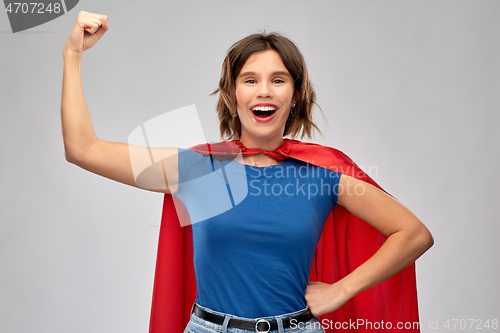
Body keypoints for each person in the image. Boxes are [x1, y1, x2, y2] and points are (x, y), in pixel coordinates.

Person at [62, 11, 434, 333]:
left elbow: (414, 233)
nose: (264, 92)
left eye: (278, 79)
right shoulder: (197, 168)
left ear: (296, 93)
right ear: (232, 94)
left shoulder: (325, 172)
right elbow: (83, 149)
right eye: (250, 80)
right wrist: (73, 55)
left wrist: (342, 289)